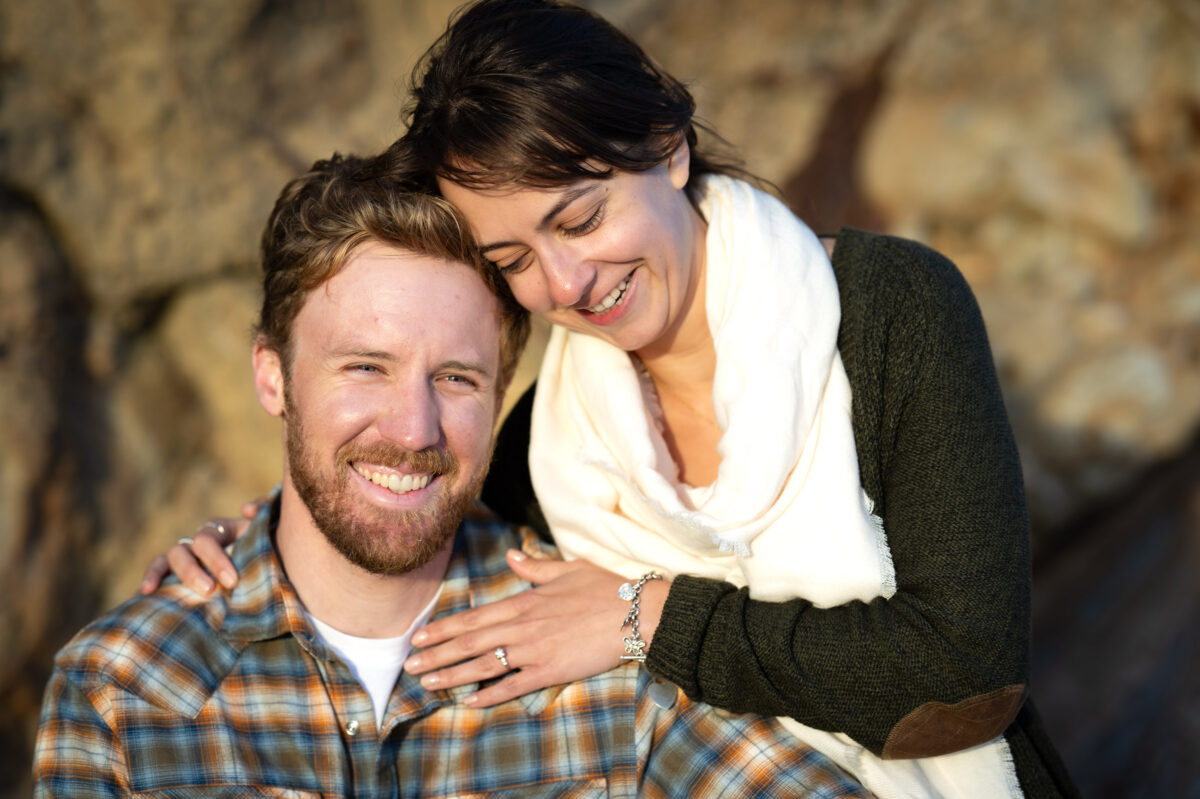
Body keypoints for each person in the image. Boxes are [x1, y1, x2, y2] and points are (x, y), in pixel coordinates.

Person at [146, 1, 1079, 796]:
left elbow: (966, 665)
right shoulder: (556, 438)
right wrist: (250, 549)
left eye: (581, 218)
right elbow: (403, 500)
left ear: (668, 151)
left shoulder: (888, 313)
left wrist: (651, 615)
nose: (565, 283)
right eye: (512, 261)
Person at [34, 153, 872, 798]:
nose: (413, 430)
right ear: (272, 376)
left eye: (456, 378)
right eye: (365, 366)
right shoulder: (124, 685)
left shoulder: (597, 645)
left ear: (501, 392)